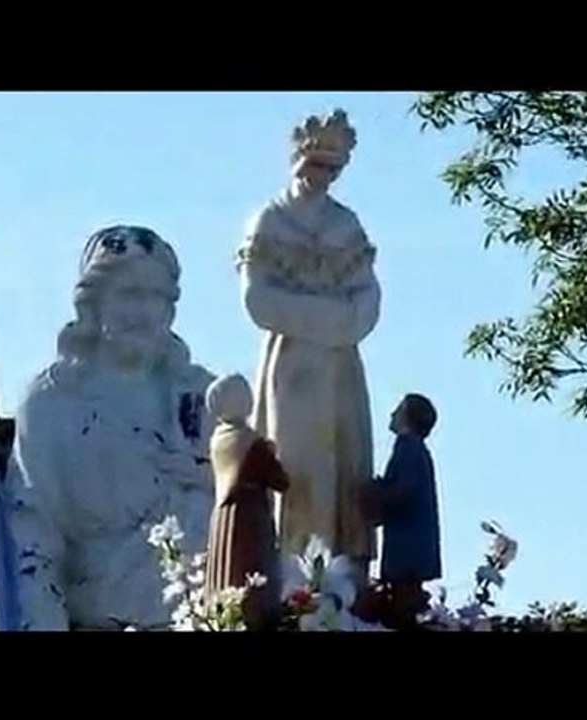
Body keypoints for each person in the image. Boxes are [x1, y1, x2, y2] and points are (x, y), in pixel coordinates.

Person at [0, 225, 216, 631]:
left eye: (156, 297)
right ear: (94, 303)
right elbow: (32, 539)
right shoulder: (52, 403)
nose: (144, 312)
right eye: (130, 294)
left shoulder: (199, 398)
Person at [237, 109, 380, 581]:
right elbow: (258, 300)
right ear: (299, 162)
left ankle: (339, 580)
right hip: (293, 367)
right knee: (294, 468)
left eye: (332, 169)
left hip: (340, 369)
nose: (323, 177)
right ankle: (291, 577)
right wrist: (330, 317)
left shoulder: (346, 224)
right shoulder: (271, 220)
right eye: (316, 165)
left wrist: (331, 321)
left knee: (343, 470)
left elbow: (368, 301)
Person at [203, 373, 289, 630]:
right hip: (250, 517)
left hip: (223, 517)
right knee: (251, 570)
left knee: (225, 570)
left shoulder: (219, 438)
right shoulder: (251, 441)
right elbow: (280, 480)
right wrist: (271, 453)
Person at [362, 394, 442, 620]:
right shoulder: (417, 450)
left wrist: (374, 494)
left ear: (408, 417)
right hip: (415, 547)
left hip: (407, 548)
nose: (392, 414)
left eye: (398, 409)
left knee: (404, 608)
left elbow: (404, 490)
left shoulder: (408, 446)